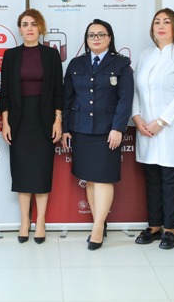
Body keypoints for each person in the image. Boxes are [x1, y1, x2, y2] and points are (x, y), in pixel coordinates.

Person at [62, 19, 133, 251]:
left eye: (101, 34)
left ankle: (98, 228)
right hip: (81, 129)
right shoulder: (76, 63)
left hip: (107, 130)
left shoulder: (121, 64)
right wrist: (65, 128)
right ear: (86, 39)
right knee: (90, 179)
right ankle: (98, 222)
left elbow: (125, 99)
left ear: (109, 38)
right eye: (91, 35)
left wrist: (118, 128)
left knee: (103, 178)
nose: (96, 38)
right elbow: (67, 98)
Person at [132, 8, 174, 250]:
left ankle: (170, 230)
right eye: (157, 22)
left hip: (170, 129)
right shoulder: (145, 55)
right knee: (152, 179)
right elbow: (136, 90)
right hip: (145, 129)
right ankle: (154, 226)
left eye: (166, 22)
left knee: (170, 180)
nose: (160, 26)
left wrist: (161, 122)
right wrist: (137, 118)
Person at [0, 9, 63, 244]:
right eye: (25, 24)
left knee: (42, 171)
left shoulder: (51, 55)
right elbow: (5, 91)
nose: (29, 28)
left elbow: (58, 90)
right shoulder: (11, 55)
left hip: (44, 119)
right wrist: (5, 122)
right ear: (19, 29)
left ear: (40, 28)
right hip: (19, 120)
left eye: (34, 24)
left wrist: (58, 119)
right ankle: (24, 221)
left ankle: (41, 221)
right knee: (22, 172)